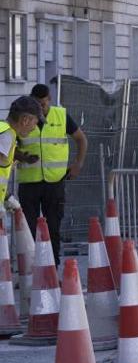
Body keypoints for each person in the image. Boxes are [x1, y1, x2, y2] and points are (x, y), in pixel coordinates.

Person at [15, 84, 87, 262]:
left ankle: (53, 271)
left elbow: (81, 139)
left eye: (43, 104)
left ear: (50, 100)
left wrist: (78, 163)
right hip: (29, 183)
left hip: (54, 183)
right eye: (36, 104)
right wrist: (21, 156)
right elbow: (10, 145)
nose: (40, 108)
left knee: (53, 228)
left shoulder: (60, 115)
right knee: (28, 230)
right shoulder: (22, 118)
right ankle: (30, 274)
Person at [0, 96, 43, 214]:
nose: (34, 128)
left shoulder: (3, 130)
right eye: (35, 122)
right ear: (25, 120)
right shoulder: (7, 136)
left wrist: (6, 197)